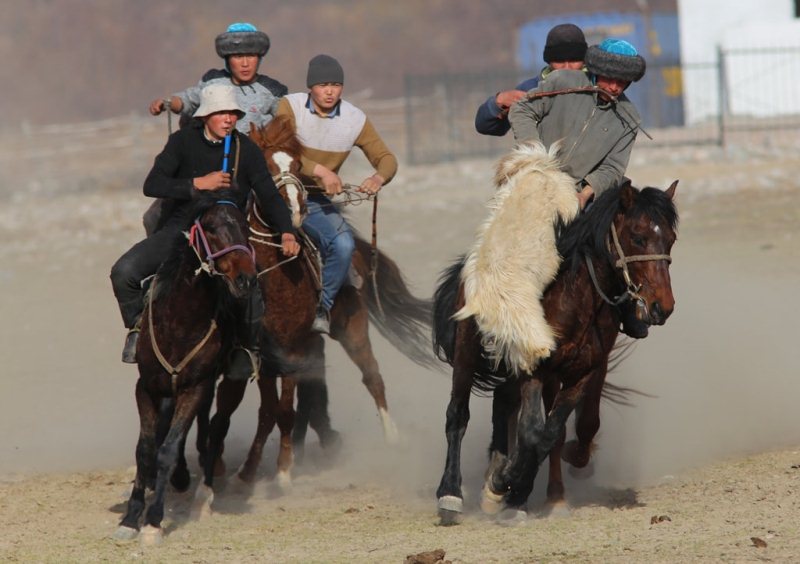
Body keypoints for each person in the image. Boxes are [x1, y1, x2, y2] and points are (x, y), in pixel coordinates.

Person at [111, 84, 300, 379]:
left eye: (233, 113)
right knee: (123, 272)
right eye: (222, 113)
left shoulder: (245, 149)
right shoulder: (182, 142)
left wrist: (287, 231)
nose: (229, 119)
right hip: (181, 230)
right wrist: (196, 184)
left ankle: (246, 349)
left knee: (251, 287)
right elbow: (152, 184)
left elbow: (269, 194)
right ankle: (138, 329)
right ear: (206, 116)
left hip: (228, 234)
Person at [275, 54, 398, 334]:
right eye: (322, 85)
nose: (329, 91)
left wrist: (378, 177)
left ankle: (323, 306)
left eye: (335, 84)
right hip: (276, 193)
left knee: (343, 246)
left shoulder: (354, 119)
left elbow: (387, 158)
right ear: (311, 87)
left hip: (313, 202)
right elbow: (283, 151)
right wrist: (323, 171)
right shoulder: (290, 106)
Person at [509, 38, 647, 209]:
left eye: (622, 81)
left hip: (576, 195)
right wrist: (534, 156)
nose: (614, 87)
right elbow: (522, 110)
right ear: (597, 70)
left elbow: (612, 168)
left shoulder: (630, 118)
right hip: (531, 176)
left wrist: (584, 195)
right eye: (610, 78)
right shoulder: (563, 81)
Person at [149, 22, 288, 133]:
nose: (245, 64)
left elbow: (289, 123)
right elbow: (188, 101)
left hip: (253, 161)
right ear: (228, 59)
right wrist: (166, 103)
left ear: (259, 59)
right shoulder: (213, 82)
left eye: (251, 56)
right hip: (212, 155)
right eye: (238, 57)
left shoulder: (273, 91)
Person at [475, 23, 587, 137]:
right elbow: (486, 127)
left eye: (574, 60)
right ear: (549, 61)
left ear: (584, 60)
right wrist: (498, 103)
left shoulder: (597, 86)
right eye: (559, 60)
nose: (567, 67)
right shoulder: (532, 89)